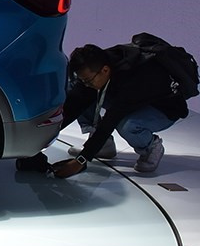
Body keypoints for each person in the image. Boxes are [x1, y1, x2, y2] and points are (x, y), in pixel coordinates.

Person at [21, 42, 189, 178]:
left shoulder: (132, 81)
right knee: (79, 92)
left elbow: (110, 121)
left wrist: (81, 160)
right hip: (127, 96)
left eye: (88, 80)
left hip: (163, 108)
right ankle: (104, 146)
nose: (86, 83)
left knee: (127, 125)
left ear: (105, 70)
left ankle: (151, 147)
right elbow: (71, 107)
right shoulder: (97, 66)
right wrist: (35, 145)